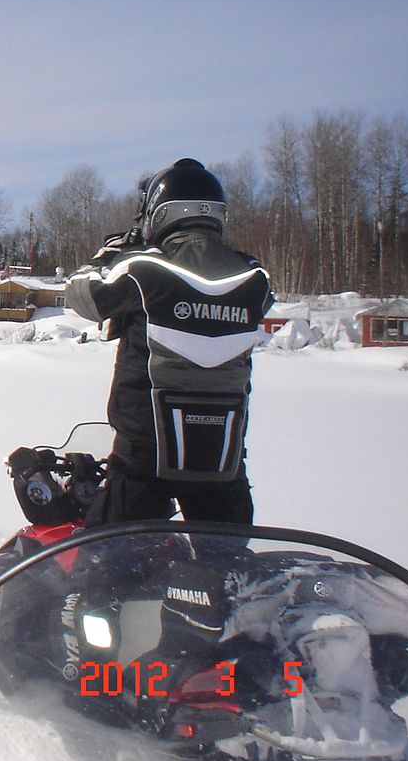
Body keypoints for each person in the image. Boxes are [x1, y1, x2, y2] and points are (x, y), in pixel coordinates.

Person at [66, 158, 274, 525]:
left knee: (109, 570)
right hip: (222, 462)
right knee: (229, 571)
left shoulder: (144, 269)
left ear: (158, 214)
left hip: (143, 460)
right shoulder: (255, 279)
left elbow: (83, 295)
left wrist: (109, 254)